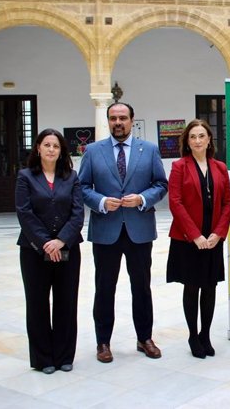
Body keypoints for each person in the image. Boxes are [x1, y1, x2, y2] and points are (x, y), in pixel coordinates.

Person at [79, 102, 168, 363]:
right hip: (106, 230)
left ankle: (145, 338)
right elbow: (82, 186)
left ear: (132, 120)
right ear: (108, 121)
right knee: (104, 288)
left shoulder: (149, 150)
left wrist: (142, 198)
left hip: (139, 230)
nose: (118, 122)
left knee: (141, 287)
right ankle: (103, 343)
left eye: (123, 118)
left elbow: (161, 184)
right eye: (113, 118)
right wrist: (101, 202)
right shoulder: (93, 151)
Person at [15, 128, 83, 374]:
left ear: (61, 150)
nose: (51, 149)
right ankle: (44, 358)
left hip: (68, 250)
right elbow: (24, 213)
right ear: (38, 148)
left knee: (66, 302)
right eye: (47, 145)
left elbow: (77, 214)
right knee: (37, 304)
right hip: (34, 251)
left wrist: (61, 241)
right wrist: (46, 242)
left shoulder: (71, 177)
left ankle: (64, 355)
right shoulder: (25, 177)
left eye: (56, 146)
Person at [167, 120, 230, 359]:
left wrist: (218, 233)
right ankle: (193, 335)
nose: (197, 140)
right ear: (187, 141)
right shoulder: (179, 166)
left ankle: (205, 334)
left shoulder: (220, 168)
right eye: (192, 136)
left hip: (213, 238)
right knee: (192, 286)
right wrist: (195, 235)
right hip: (188, 239)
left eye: (201, 136)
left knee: (210, 287)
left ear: (209, 140)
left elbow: (227, 202)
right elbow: (176, 202)